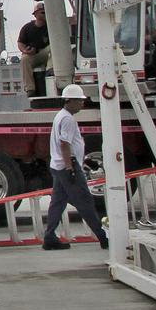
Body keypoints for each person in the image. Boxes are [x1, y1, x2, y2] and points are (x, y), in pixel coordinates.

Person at [42, 84, 109, 251]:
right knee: (85, 202)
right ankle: (103, 237)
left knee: (57, 203)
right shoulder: (68, 119)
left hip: (58, 166)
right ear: (69, 100)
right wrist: (70, 168)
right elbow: (64, 143)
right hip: (66, 167)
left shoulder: (61, 116)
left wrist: (83, 160)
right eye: (79, 101)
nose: (82, 104)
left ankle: (49, 237)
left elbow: (67, 145)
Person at [18, 2, 51, 97]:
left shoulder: (51, 26)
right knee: (24, 59)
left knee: (53, 49)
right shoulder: (27, 28)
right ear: (36, 14)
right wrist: (25, 51)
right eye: (43, 12)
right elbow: (20, 43)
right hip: (33, 55)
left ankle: (50, 72)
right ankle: (30, 89)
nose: (45, 14)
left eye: (46, 12)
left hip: (46, 54)